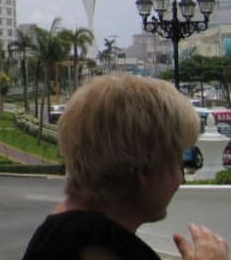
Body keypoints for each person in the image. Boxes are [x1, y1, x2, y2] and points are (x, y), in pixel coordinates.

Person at [23, 74, 230, 260]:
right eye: (177, 163)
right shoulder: (112, 248)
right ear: (144, 168)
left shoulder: (57, 234)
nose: (179, 179)